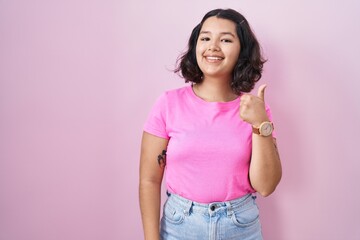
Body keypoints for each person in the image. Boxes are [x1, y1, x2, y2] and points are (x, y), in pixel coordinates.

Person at [139, 8, 282, 240]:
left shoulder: (256, 110)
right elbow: (149, 179)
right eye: (205, 38)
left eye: (225, 39)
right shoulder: (168, 104)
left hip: (240, 226)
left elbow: (265, 186)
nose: (213, 46)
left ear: (242, 51)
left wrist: (260, 125)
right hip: (179, 226)